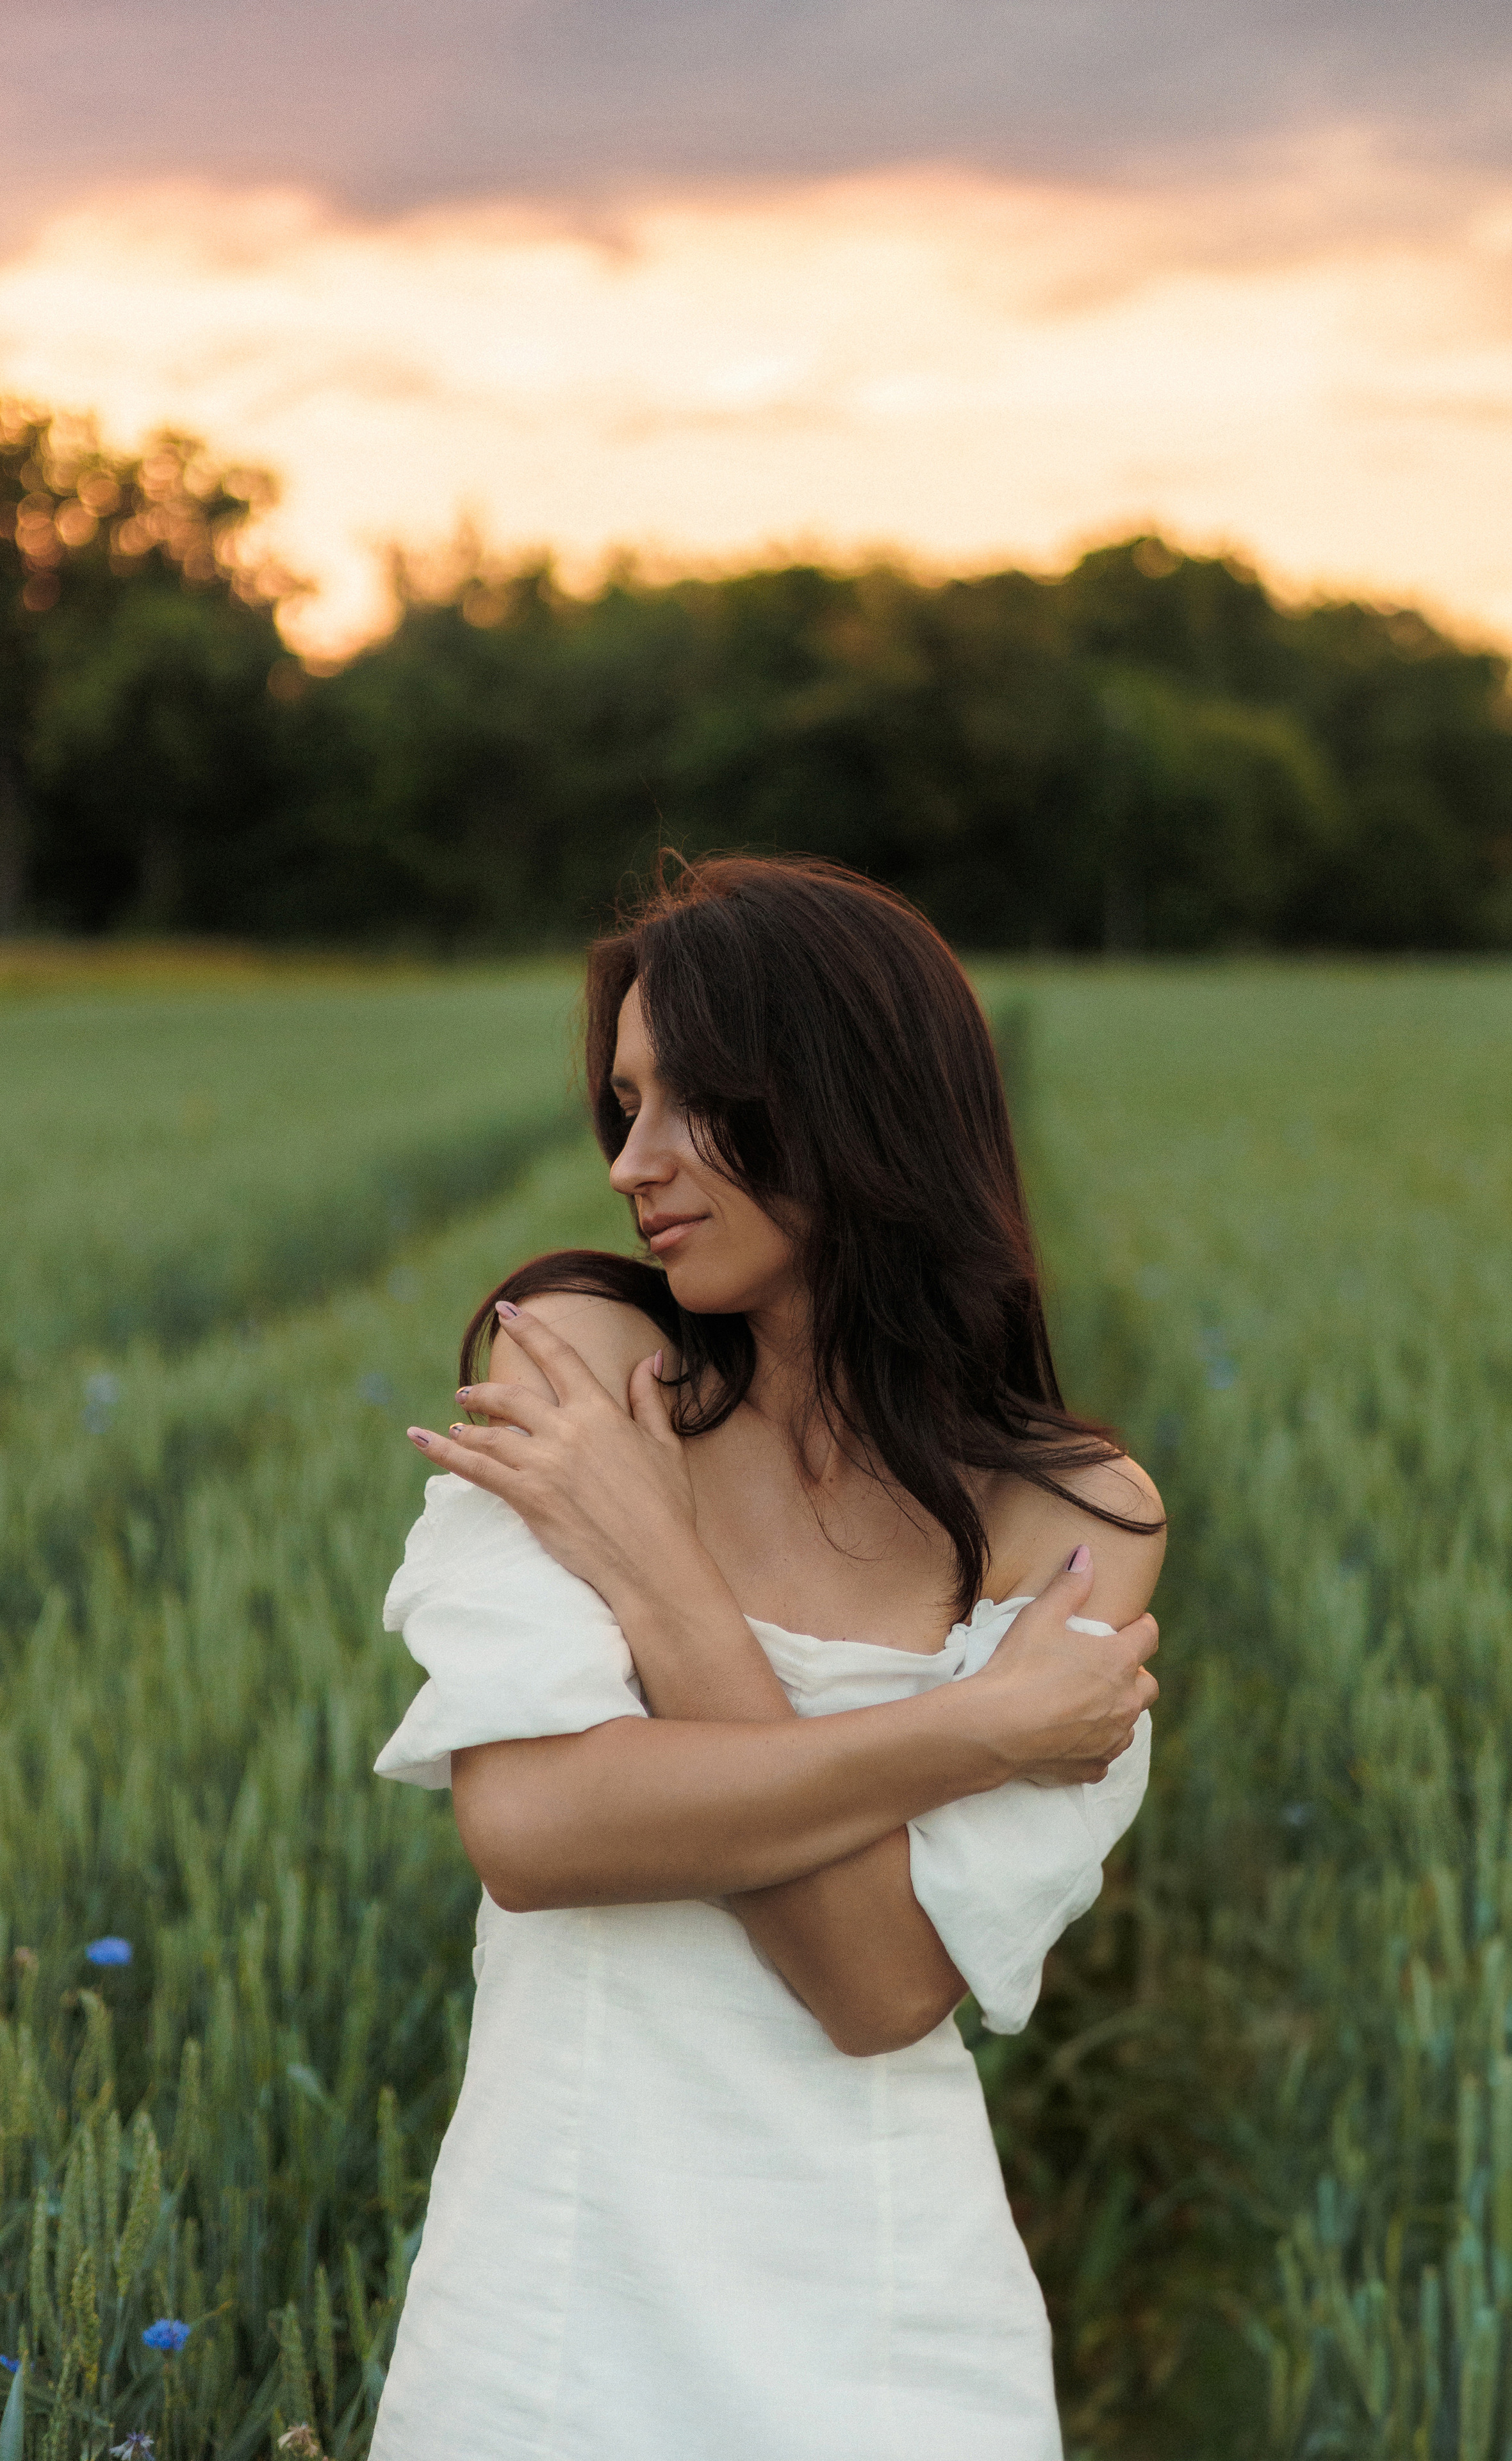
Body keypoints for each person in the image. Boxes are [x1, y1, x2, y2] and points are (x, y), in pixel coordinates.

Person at [368, 856, 1164, 2461]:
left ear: (853, 1103)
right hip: (549, 2296)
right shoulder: (577, 1358)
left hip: (885, 2323)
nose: (628, 1169)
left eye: (690, 1107)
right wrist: (978, 1730)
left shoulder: (1066, 1510)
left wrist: (656, 1580)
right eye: (622, 1107)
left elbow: (875, 1985)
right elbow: (531, 1831)